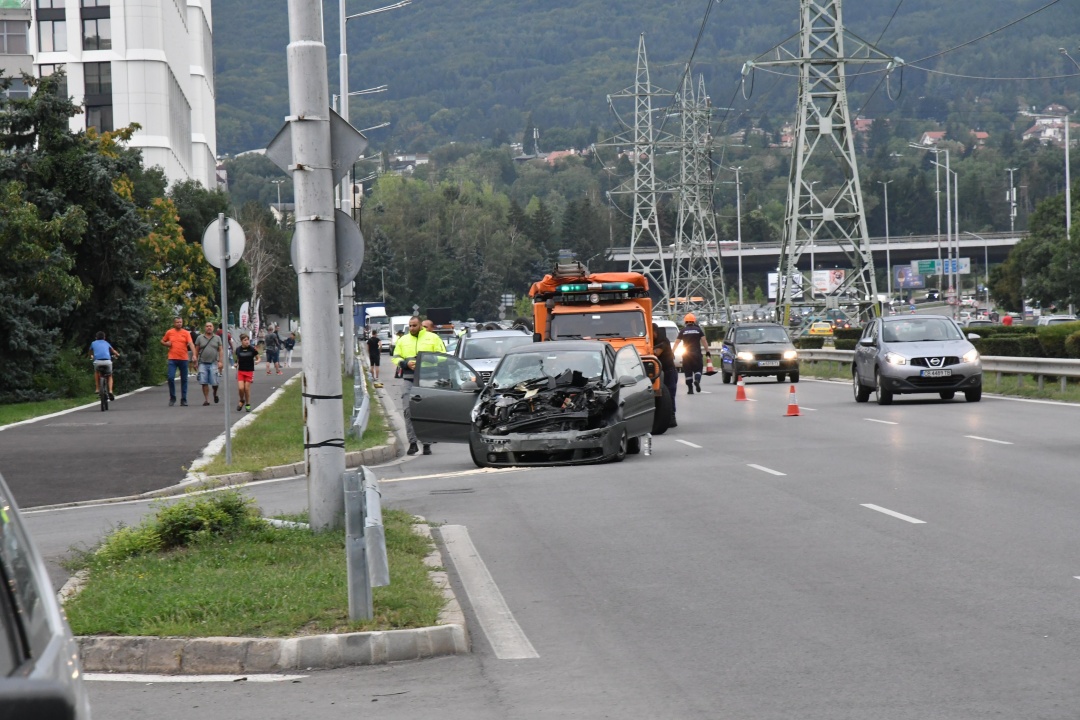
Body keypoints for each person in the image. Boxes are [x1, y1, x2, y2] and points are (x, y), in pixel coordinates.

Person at [391, 315, 445, 455]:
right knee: (408, 410)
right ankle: (413, 443)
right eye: (410, 325)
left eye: (414, 325)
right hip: (409, 378)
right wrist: (405, 363)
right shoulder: (403, 340)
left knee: (425, 411)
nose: (412, 328)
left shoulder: (432, 338)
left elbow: (442, 355)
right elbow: (396, 356)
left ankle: (426, 444)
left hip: (428, 378)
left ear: (421, 325)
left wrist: (426, 359)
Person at [161, 316, 197, 406]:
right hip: (172, 358)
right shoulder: (170, 332)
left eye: (180, 322)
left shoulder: (186, 333)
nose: (179, 324)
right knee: (170, 378)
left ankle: (184, 399)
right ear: (174, 323)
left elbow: (191, 343)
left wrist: (194, 355)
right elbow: (162, 341)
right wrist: (166, 344)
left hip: (183, 359)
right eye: (177, 322)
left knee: (184, 379)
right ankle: (172, 397)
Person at [674, 313, 710, 395]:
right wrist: (707, 351)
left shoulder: (683, 331)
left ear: (685, 321)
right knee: (698, 369)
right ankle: (697, 380)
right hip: (696, 353)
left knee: (688, 371)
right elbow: (704, 340)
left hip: (686, 354)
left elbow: (676, 343)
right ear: (694, 321)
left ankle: (690, 389)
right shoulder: (698, 330)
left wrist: (672, 353)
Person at [651, 322, 678, 428]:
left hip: (668, 371)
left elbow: (656, 352)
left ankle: (672, 418)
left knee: (669, 395)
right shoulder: (655, 341)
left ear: (655, 331)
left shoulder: (663, 340)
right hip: (658, 372)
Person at [194, 322, 224, 406]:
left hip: (214, 362)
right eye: (207, 326)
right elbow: (196, 350)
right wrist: (195, 361)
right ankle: (207, 399)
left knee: (215, 382)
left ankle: (215, 393)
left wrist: (221, 361)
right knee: (204, 382)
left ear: (213, 328)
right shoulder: (200, 338)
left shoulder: (217, 338)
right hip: (202, 363)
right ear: (205, 328)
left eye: (210, 326)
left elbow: (221, 350)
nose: (209, 328)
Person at [89, 331, 119, 401]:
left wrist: (91, 356)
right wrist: (117, 355)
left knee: (96, 372)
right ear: (104, 337)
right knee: (110, 375)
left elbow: (90, 352)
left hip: (97, 362)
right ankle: (111, 391)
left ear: (96, 338)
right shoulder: (106, 343)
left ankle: (97, 388)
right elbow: (114, 351)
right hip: (107, 362)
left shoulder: (93, 343)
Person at [234, 333, 260, 412]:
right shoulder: (238, 349)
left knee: (246, 389)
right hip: (241, 371)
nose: (247, 341)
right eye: (245, 340)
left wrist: (257, 361)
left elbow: (258, 358)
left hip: (249, 371)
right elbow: (237, 359)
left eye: (247, 340)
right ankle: (242, 400)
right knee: (241, 388)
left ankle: (248, 404)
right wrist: (236, 363)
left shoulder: (252, 349)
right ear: (241, 341)